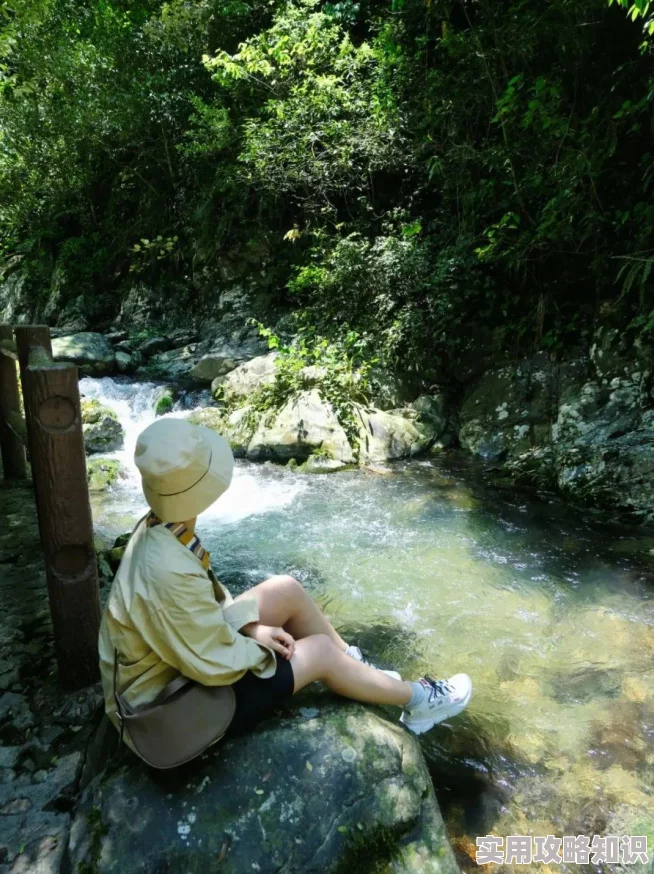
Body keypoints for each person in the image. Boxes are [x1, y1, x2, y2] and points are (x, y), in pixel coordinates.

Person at [98, 418, 472, 746]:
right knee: (319, 651)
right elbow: (211, 662)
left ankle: (360, 671)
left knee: (285, 589)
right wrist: (266, 649)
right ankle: (418, 702)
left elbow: (199, 612)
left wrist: (252, 627)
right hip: (163, 715)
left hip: (180, 666)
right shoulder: (165, 567)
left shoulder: (159, 527)